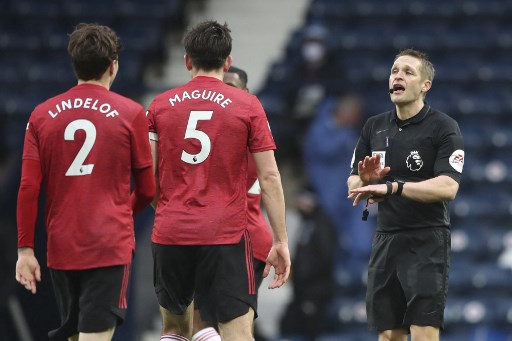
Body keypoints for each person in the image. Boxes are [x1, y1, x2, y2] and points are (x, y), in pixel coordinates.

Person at [146, 21, 290, 341]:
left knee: (174, 331)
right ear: (227, 63)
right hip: (225, 234)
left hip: (171, 231)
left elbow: (147, 179)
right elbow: (268, 176)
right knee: (236, 332)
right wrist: (280, 239)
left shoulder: (160, 105)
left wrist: (169, 207)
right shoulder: (248, 105)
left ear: (187, 60)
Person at [15, 23, 155, 341]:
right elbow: (148, 189)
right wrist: (120, 215)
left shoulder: (41, 115)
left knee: (74, 334)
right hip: (108, 245)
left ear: (74, 63)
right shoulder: (131, 112)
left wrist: (25, 249)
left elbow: (28, 188)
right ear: (113, 66)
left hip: (62, 245)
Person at [347, 49, 464, 341]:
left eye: (408, 72)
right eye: (394, 70)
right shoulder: (374, 126)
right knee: (388, 335)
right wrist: (365, 179)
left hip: (427, 240)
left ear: (425, 85)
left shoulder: (443, 127)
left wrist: (395, 187)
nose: (397, 75)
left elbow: (449, 187)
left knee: (423, 333)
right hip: (386, 238)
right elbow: (352, 182)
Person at [188, 66, 274, 341]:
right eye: (220, 85)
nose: (223, 93)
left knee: (233, 329)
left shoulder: (249, 127)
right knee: (202, 326)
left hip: (244, 241)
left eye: (232, 87)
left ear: (246, 94)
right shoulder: (208, 132)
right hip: (213, 239)